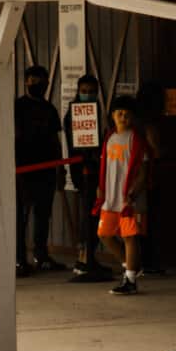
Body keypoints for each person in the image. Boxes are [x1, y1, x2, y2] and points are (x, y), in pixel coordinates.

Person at [94, 95, 153, 295]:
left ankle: (130, 280)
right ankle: (131, 265)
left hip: (128, 199)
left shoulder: (137, 140)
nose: (123, 117)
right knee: (104, 234)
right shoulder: (109, 137)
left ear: (133, 117)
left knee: (129, 237)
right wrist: (100, 188)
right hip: (110, 198)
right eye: (119, 113)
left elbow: (144, 171)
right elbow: (104, 167)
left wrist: (134, 192)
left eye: (127, 114)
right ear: (112, 115)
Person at [13, 65, 63, 273]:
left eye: (40, 81)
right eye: (32, 80)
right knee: (20, 216)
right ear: (26, 82)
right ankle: (18, 259)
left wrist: (60, 166)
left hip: (47, 168)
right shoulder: (17, 106)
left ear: (47, 83)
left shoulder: (50, 109)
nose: (36, 84)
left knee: (43, 215)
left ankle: (41, 255)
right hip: (22, 169)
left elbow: (55, 138)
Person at [62, 72, 109, 281]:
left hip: (100, 170)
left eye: (91, 92)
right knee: (87, 215)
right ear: (77, 92)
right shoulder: (72, 115)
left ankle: (89, 256)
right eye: (84, 92)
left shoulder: (101, 112)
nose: (87, 95)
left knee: (94, 215)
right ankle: (84, 259)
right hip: (83, 170)